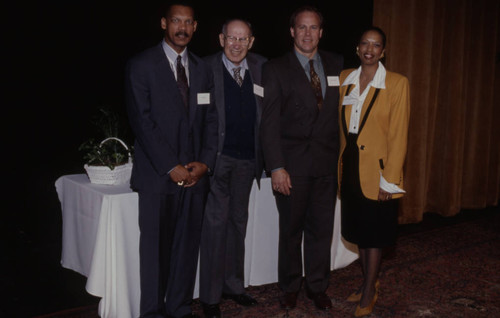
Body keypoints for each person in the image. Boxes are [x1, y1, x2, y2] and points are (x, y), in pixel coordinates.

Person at [124, 2, 218, 317]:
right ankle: (152, 312)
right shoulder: (141, 64)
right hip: (157, 177)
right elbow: (142, 121)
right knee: (154, 253)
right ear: (164, 23)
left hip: (195, 178)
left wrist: (204, 163)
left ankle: (179, 308)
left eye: (189, 22)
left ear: (195, 27)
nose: (183, 28)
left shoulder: (203, 69)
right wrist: (171, 166)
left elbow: (211, 120)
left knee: (186, 249)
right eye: (176, 20)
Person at [259, 5, 343, 311]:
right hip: (292, 167)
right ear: (292, 31)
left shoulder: (337, 64)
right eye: (302, 28)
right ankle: (291, 285)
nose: (308, 34)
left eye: (313, 28)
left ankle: (318, 286)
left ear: (321, 32)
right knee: (291, 231)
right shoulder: (275, 68)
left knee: (322, 230)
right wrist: (277, 167)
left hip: (326, 165)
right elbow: (268, 124)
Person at [338, 26, 410, 317]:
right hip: (350, 164)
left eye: (376, 45)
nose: (370, 49)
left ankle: (369, 291)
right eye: (365, 44)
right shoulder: (345, 79)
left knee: (375, 233)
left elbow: (398, 135)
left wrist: (390, 181)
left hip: (378, 171)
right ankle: (369, 280)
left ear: (384, 51)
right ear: (357, 48)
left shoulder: (396, 83)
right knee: (360, 231)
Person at [198, 19, 266, 318]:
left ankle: (233, 286)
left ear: (251, 42)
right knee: (215, 226)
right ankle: (210, 297)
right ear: (221, 39)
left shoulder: (263, 67)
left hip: (248, 160)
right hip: (218, 159)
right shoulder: (204, 67)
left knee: (239, 223)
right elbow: (196, 117)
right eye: (231, 38)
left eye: (243, 39)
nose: (237, 44)